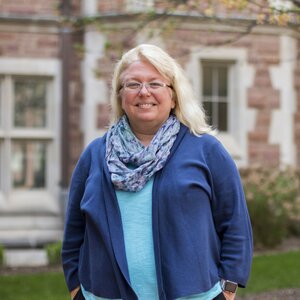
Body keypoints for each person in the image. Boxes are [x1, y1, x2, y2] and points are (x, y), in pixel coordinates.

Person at [62, 44, 253, 300]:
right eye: (132, 84)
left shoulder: (206, 150)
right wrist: (75, 288)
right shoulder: (96, 154)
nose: (144, 92)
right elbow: (74, 230)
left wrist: (228, 288)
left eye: (155, 83)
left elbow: (235, 224)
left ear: (173, 95)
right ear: (120, 95)